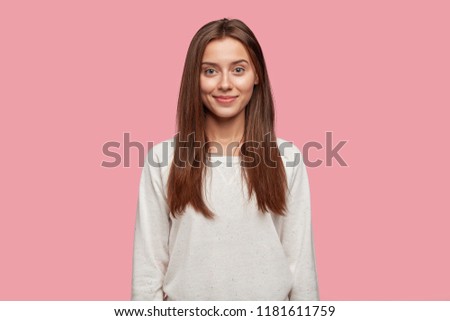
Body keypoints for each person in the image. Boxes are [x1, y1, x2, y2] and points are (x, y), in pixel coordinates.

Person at [131, 18, 319, 301]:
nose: (225, 84)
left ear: (257, 76)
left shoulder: (286, 159)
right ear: (195, 78)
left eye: (238, 70)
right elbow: (149, 269)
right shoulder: (162, 160)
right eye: (210, 71)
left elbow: (300, 266)